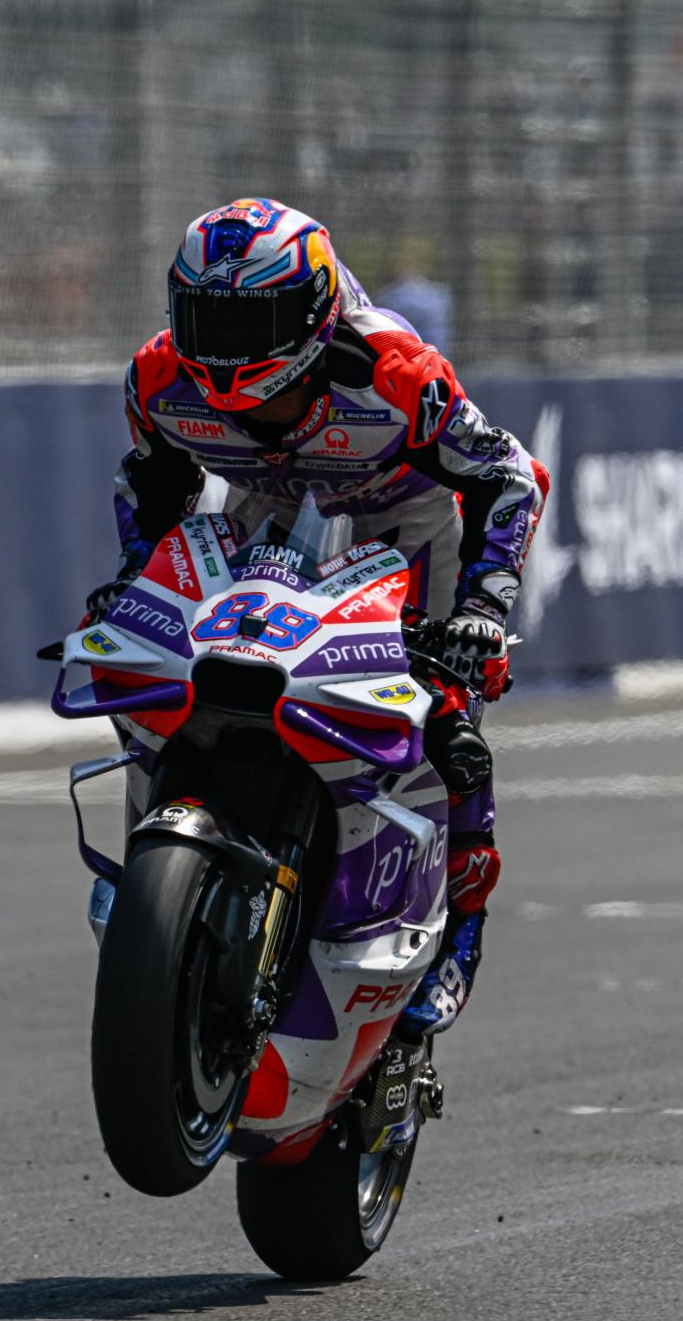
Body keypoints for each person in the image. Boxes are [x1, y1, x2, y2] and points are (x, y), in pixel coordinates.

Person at [86, 197, 546, 1038]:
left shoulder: (395, 375)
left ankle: (460, 930)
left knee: (445, 727)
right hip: (268, 516)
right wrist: (132, 581)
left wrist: (481, 611)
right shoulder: (157, 378)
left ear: (310, 309)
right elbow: (151, 483)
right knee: (161, 678)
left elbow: (508, 476)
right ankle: (146, 865)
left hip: (407, 531)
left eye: (249, 320)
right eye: (204, 318)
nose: (221, 351)